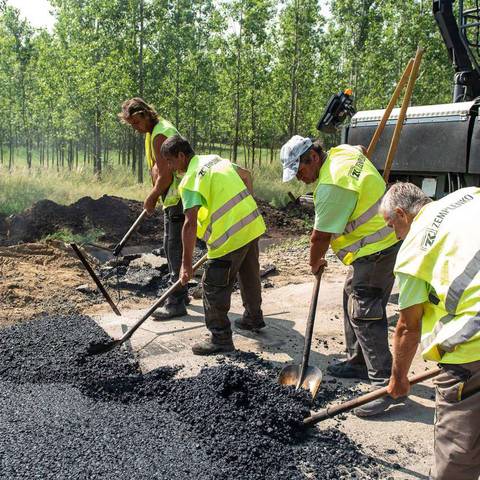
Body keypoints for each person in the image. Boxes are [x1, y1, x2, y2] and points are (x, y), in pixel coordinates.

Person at [280, 135, 400, 416]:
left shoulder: (331, 185)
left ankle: (384, 384)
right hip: (378, 244)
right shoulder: (343, 152)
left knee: (364, 311)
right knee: (351, 295)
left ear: (312, 157)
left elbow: (319, 237)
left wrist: (315, 263)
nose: (301, 178)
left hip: (377, 249)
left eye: (300, 170)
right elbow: (361, 150)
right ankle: (358, 361)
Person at [382, 182, 480, 480]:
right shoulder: (468, 194)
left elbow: (408, 328)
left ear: (401, 214)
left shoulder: (413, 252)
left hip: (472, 346)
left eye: (391, 226)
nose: (393, 234)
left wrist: (398, 380)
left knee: (456, 458)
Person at [160, 134, 266, 355]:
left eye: (170, 161)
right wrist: (246, 205)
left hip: (228, 237)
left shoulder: (189, 181)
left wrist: (185, 265)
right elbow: (246, 175)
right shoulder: (216, 159)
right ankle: (253, 318)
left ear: (181, 155)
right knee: (249, 275)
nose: (169, 167)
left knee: (213, 287)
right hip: (252, 224)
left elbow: (189, 225)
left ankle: (220, 339)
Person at [119, 98, 188, 320]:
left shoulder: (160, 133)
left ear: (146, 114)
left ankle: (176, 302)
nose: (136, 128)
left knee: (173, 246)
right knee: (171, 245)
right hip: (172, 196)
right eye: (131, 125)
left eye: (136, 123)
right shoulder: (155, 130)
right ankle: (182, 293)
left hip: (177, 196)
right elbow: (159, 169)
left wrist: (151, 198)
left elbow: (167, 175)